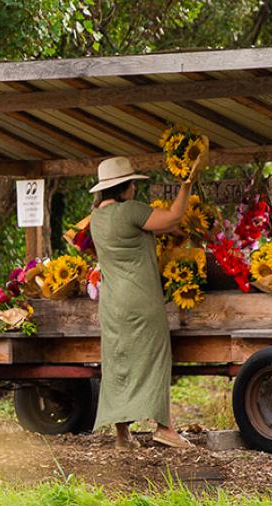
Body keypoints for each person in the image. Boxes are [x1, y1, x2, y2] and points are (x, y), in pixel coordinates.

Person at [86, 157, 189, 450]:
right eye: (132, 184)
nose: (134, 189)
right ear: (123, 188)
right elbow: (172, 218)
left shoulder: (96, 219)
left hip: (112, 304)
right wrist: (187, 184)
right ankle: (165, 428)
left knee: (119, 362)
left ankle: (123, 436)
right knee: (156, 357)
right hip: (141, 300)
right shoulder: (130, 211)